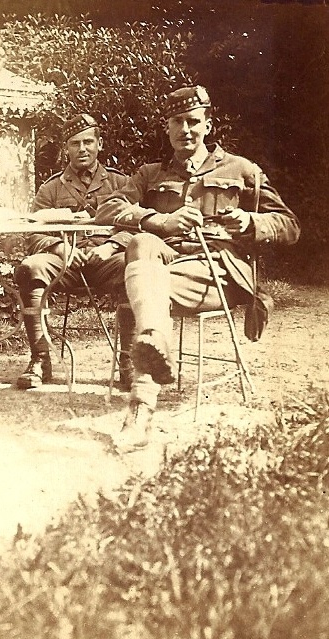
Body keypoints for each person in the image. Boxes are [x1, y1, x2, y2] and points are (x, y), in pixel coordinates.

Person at [96, 85, 300, 451]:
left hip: (217, 270)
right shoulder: (150, 173)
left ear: (208, 125)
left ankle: (140, 408)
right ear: (167, 127)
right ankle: (149, 367)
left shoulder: (242, 169)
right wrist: (160, 221)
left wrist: (250, 222)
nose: (185, 130)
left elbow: (289, 225)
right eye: (177, 122)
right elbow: (108, 208)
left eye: (193, 121)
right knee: (141, 245)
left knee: (147, 287)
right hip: (164, 267)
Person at [13, 113, 134, 390]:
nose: (82, 149)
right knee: (32, 267)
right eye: (75, 143)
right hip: (64, 264)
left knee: (134, 266)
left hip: (107, 260)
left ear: (99, 144)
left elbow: (138, 226)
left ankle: (129, 362)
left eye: (88, 142)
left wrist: (111, 246)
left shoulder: (120, 183)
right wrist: (61, 247)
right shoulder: (51, 188)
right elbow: (33, 233)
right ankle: (40, 359)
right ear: (65, 149)